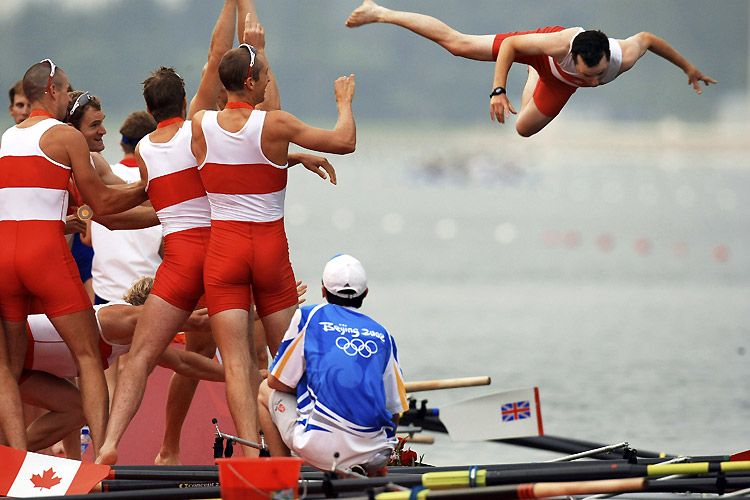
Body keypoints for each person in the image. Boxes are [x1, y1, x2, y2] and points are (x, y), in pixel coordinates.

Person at [97, 60, 339, 464]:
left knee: (142, 356)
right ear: (184, 101)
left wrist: (94, 212)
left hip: (178, 260)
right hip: (218, 254)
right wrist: (295, 157)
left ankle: (112, 444)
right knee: (248, 355)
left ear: (150, 109)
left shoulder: (144, 151)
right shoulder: (201, 130)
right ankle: (270, 448)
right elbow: (248, 151)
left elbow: (158, 204)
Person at [189, 40, 356, 456]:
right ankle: (301, 450)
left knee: (237, 364)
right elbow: (344, 141)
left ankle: (251, 456)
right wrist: (344, 102)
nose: (268, 81)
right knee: (287, 361)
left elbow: (238, 155)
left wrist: (292, 158)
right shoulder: (275, 124)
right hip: (268, 251)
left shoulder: (200, 123)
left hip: (224, 254)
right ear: (250, 81)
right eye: (265, 74)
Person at [0, 59, 148, 452]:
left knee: (8, 368)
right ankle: (102, 458)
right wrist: (148, 188)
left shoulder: (7, 138)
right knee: (88, 356)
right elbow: (102, 203)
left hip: (4, 258)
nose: (68, 97)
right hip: (43, 255)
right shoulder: (66, 136)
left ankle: (14, 459)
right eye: (66, 90)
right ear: (51, 90)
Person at [346, 1, 717, 137]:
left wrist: (688, 67)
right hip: (536, 49)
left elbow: (649, 39)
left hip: (559, 82)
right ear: (576, 57)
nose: (593, 81)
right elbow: (511, 47)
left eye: (598, 75)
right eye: (587, 74)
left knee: (523, 129)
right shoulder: (559, 44)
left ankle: (536, 77)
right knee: (458, 45)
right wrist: (497, 90)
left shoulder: (623, 56)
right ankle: (381, 12)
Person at [20, 276, 223, 458]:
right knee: (81, 405)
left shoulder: (137, 337)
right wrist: (238, 305)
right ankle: (14, 454)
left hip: (26, 363)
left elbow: (183, 362)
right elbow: (198, 321)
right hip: (14, 352)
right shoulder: (123, 317)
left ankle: (12, 454)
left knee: (76, 409)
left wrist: (234, 375)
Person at [259, 254, 408, 474]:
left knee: (264, 390)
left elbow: (277, 382)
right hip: (376, 453)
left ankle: (285, 479)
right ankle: (366, 470)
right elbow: (394, 409)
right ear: (365, 293)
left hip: (321, 449)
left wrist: (310, 385)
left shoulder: (309, 317)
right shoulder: (382, 334)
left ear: (323, 291)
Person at [90, 111, 162, 306]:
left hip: (107, 291)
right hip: (151, 288)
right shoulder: (160, 183)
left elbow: (87, 237)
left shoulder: (98, 179)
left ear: (122, 144)